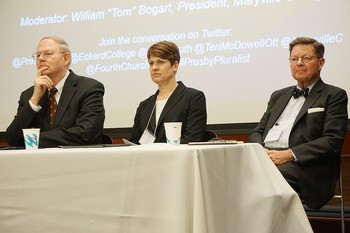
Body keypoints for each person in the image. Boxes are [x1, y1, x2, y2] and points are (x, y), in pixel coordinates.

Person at [248, 37, 348, 210]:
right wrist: (260, 152)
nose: (299, 63)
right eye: (294, 59)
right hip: (267, 159)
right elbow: (257, 132)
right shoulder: (278, 95)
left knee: (262, 180)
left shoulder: (334, 95)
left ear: (321, 62)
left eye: (306, 58)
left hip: (303, 167)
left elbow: (332, 140)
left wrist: (289, 154)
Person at [6, 36, 105, 148]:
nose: (41, 58)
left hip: (78, 161)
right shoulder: (29, 95)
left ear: (66, 58)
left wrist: (33, 138)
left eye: (48, 54)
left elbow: (86, 134)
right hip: (38, 163)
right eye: (38, 55)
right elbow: (13, 138)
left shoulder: (89, 88)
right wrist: (35, 100)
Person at [129, 41, 207, 144]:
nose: (154, 68)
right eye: (151, 63)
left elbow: (192, 139)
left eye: (160, 62)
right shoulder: (144, 106)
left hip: (178, 159)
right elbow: (134, 142)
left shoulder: (193, 98)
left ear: (174, 66)